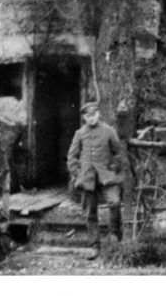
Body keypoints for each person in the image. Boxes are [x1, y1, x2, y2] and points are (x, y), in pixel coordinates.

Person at [67, 101, 123, 259]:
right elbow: (72, 157)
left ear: (98, 114)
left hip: (106, 177)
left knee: (115, 201)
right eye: (87, 116)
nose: (91, 119)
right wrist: (78, 174)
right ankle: (94, 245)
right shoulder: (80, 133)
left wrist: (113, 168)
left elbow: (118, 153)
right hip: (87, 178)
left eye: (93, 115)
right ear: (84, 117)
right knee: (90, 212)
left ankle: (114, 235)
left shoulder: (109, 131)